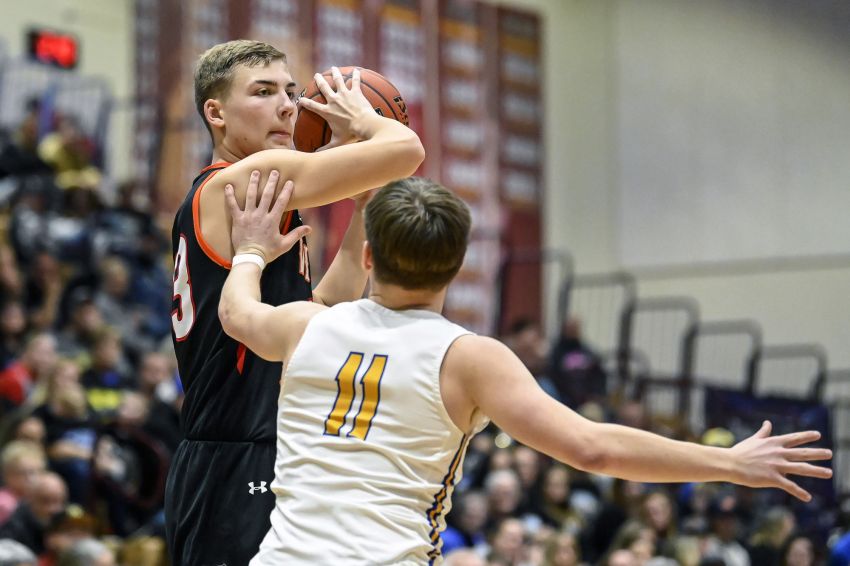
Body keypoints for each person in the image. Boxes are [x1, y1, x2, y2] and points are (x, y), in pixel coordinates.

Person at [217, 174, 831, 565]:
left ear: (370, 256)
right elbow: (593, 449)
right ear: (456, 268)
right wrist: (729, 462)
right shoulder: (470, 358)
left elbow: (238, 315)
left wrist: (249, 250)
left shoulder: (307, 324)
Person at [165, 39, 424, 566]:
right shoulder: (238, 183)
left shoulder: (265, 209)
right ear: (215, 113)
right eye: (263, 92)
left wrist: (364, 207)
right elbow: (407, 151)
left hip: (267, 446)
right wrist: (363, 118)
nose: (289, 105)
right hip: (235, 452)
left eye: (290, 91)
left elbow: (322, 310)